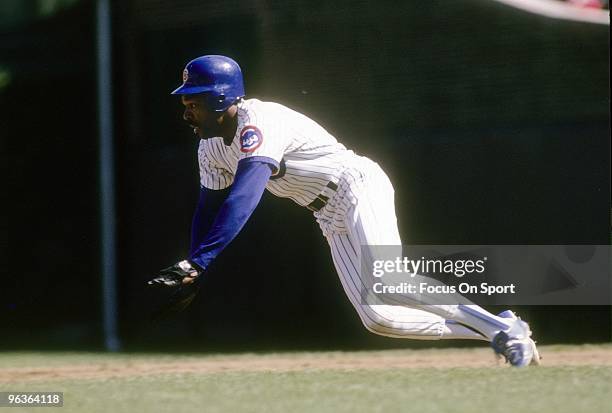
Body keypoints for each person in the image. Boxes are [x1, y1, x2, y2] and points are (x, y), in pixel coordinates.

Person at [148, 55, 540, 367]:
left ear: (220, 99)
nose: (186, 112)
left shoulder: (259, 122)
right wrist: (194, 267)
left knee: (390, 280)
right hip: (326, 211)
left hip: (355, 184)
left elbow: (244, 196)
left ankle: (500, 330)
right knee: (378, 320)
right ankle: (500, 329)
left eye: (192, 102)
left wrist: (202, 262)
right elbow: (208, 207)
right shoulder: (210, 147)